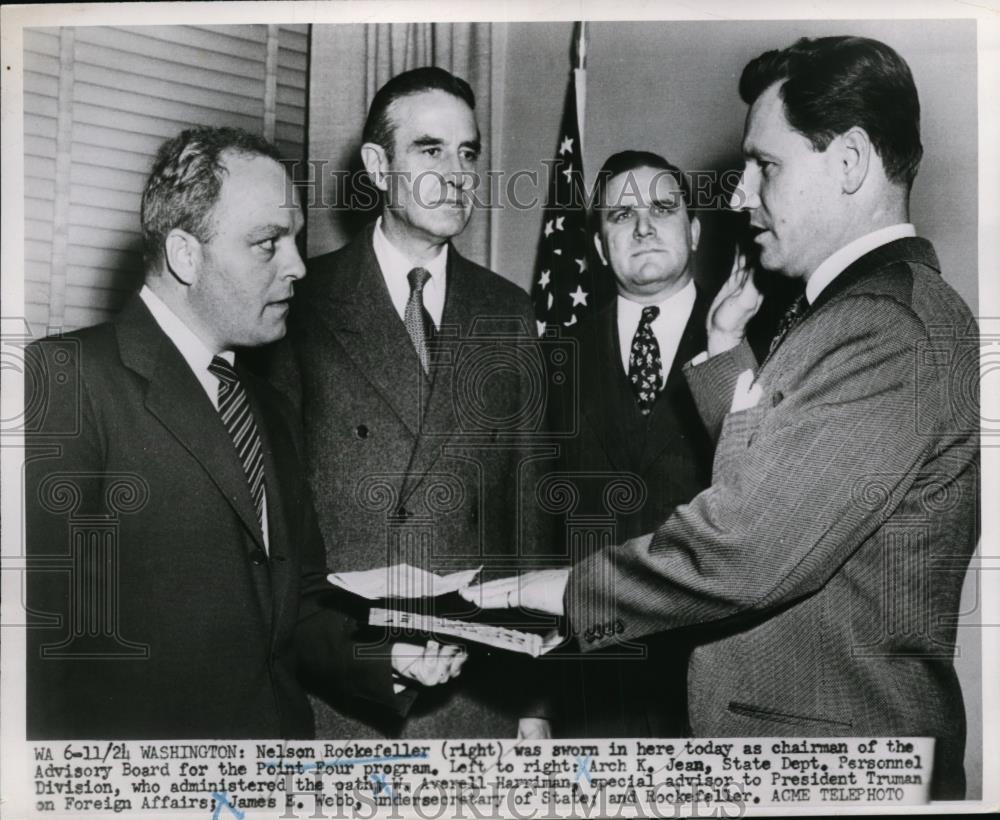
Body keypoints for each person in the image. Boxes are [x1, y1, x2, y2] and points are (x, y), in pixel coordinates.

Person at [464, 36, 979, 799]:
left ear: (849, 162)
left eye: (765, 166)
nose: (739, 194)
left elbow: (744, 543)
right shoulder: (865, 312)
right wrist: (727, 358)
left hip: (826, 759)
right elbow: (778, 481)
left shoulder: (879, 325)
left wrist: (569, 593)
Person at [25, 126, 464, 739]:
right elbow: (32, 652)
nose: (298, 266)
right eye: (268, 243)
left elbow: (296, 606)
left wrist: (386, 658)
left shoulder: (268, 405)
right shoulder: (63, 381)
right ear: (185, 254)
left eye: (297, 240)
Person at [270, 67, 551, 739]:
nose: (456, 174)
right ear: (377, 165)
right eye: (430, 150)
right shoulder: (300, 305)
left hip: (475, 694)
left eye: (469, 152)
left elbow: (530, 513)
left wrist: (536, 704)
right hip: (345, 695)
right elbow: (277, 530)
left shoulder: (508, 313)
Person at [548, 151, 713, 737]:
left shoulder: (754, 341)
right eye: (621, 215)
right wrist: (533, 700)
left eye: (663, 209)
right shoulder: (555, 357)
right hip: (593, 684)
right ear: (598, 246)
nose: (643, 227)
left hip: (713, 679)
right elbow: (537, 525)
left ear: (693, 231)